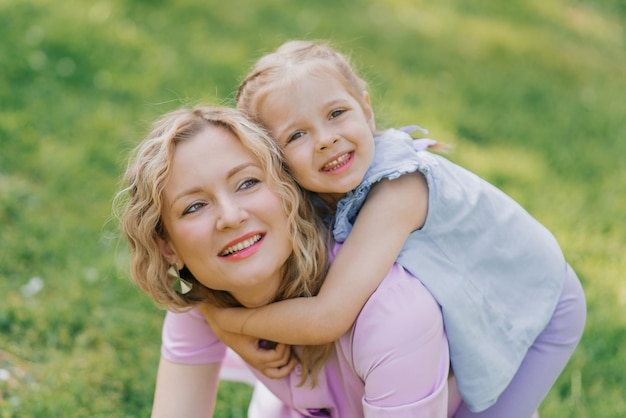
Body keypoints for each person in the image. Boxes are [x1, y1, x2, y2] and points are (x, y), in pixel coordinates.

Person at [203, 40, 588, 417]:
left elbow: (329, 315)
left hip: (537, 304)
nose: (326, 139)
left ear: (366, 110)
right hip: (475, 296)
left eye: (336, 113)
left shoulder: (400, 189)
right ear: (274, 160)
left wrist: (226, 321)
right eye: (297, 135)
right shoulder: (316, 188)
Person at [116, 105, 456, 417]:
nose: (231, 217)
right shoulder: (206, 296)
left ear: (287, 189)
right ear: (168, 247)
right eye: (194, 207)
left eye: (247, 182)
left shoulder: (392, 313)